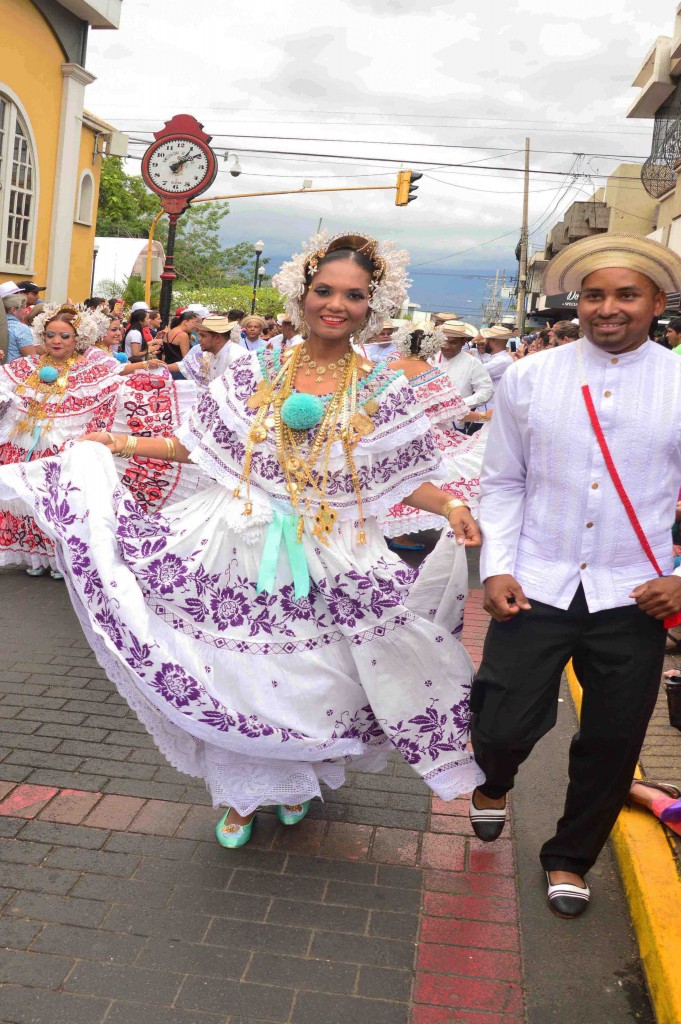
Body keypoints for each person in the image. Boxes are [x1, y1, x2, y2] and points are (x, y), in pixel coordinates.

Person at [0, 231, 485, 850]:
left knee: (313, 679)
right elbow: (197, 446)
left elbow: (402, 477)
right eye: (324, 290)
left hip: (328, 554)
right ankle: (241, 794)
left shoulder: (384, 390)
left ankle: (296, 778)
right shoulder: (256, 369)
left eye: (354, 295)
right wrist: (118, 443)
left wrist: (451, 504)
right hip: (233, 544)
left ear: (373, 306)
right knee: (235, 674)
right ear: (302, 295)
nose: (336, 305)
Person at [471, 233, 681, 919]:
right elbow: (503, 480)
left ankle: (569, 856)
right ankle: (493, 781)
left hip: (635, 594)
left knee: (613, 740)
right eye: (594, 295)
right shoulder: (529, 378)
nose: (607, 308)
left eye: (626, 295)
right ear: (577, 303)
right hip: (536, 580)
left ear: (657, 303)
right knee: (500, 722)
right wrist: (497, 566)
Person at [382, 323, 490, 548]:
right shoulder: (432, 374)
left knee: (392, 477)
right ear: (432, 348)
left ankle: (392, 531)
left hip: (389, 433)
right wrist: (483, 416)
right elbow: (457, 413)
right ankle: (403, 532)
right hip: (422, 436)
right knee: (424, 478)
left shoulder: (386, 367)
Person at [438, 321, 494, 423]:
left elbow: (486, 391)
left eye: (453, 342)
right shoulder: (430, 358)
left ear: (463, 341)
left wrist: (460, 404)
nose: (446, 346)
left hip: (455, 423)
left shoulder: (473, 363)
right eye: (443, 341)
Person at [165, 314, 242, 385]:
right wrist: (161, 366)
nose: (199, 339)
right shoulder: (208, 352)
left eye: (203, 336)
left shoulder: (237, 357)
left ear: (217, 338)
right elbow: (185, 365)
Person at [2, 286, 40, 362]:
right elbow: (31, 358)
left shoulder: (2, 325)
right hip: (12, 368)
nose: (26, 310)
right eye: (24, 307)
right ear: (14, 310)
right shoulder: (21, 329)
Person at [480, 326, 514, 391]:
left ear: (493, 340)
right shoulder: (499, 357)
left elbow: (476, 372)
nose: (485, 343)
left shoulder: (502, 360)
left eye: (487, 339)